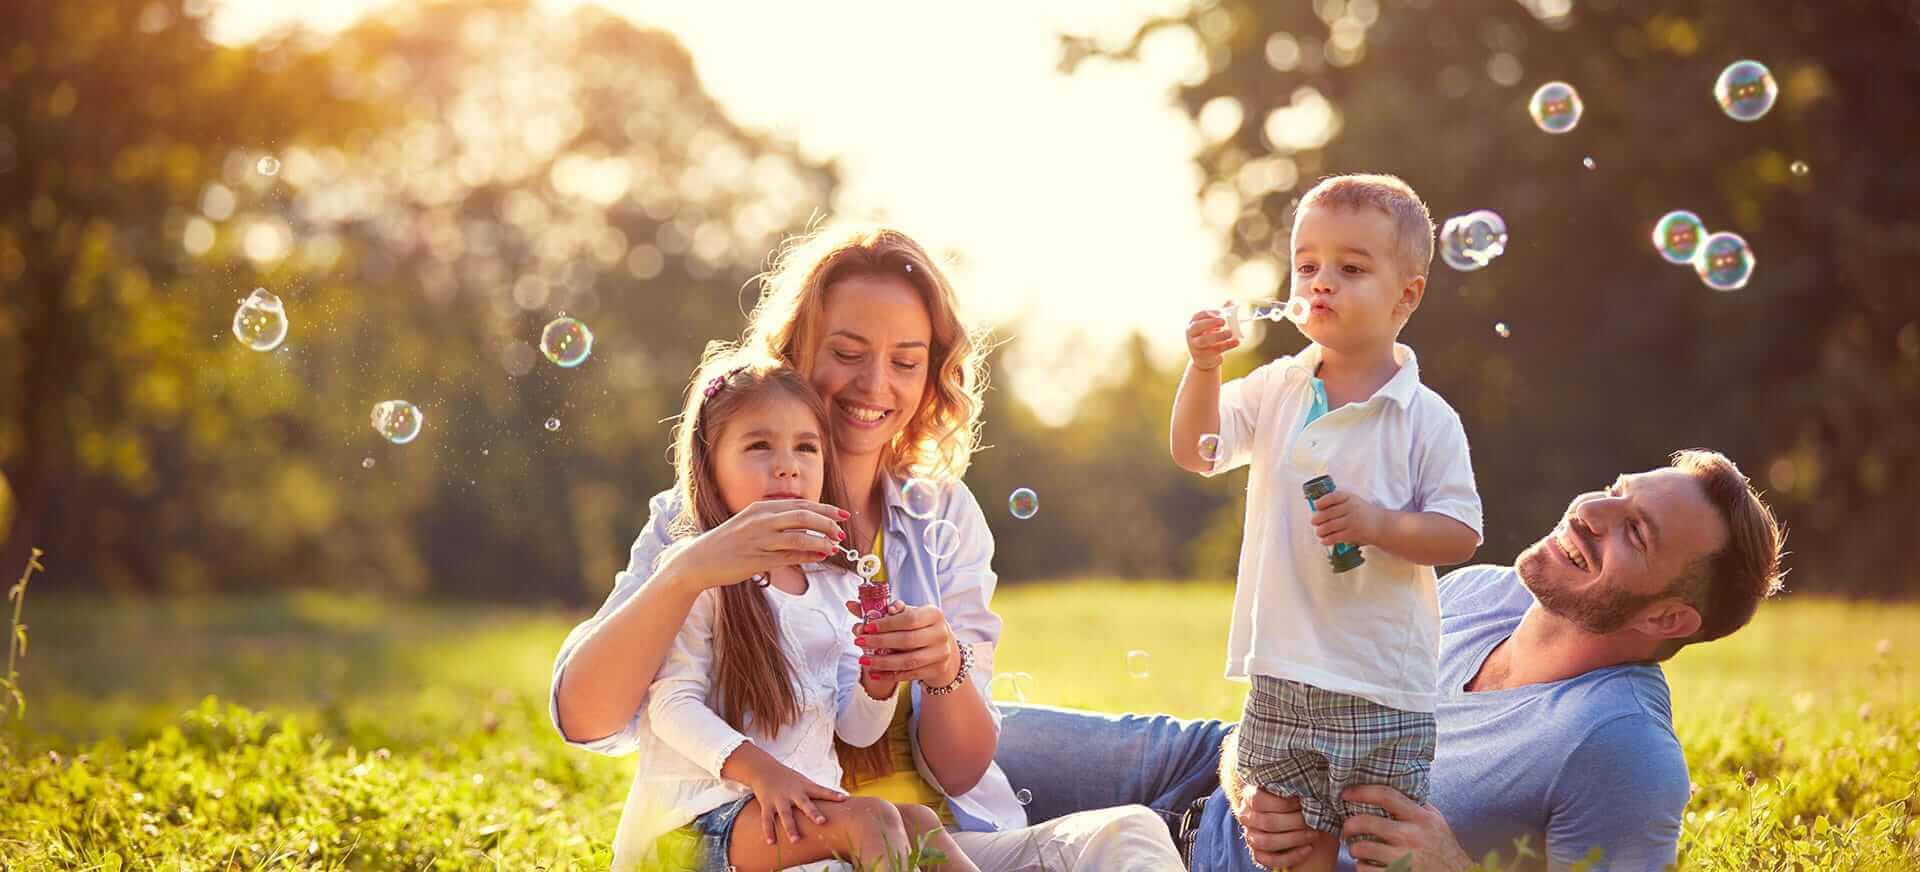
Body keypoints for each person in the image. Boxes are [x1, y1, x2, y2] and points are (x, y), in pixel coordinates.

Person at [551, 224, 1183, 870]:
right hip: (770, 843)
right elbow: (588, 718)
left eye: (906, 362)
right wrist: (684, 573)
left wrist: (945, 670)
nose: (875, 385)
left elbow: (955, 768)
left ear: (931, 375)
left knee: (1129, 835)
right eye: (848, 352)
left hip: (930, 841)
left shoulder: (942, 517)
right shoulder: (700, 522)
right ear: (794, 352)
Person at [997, 450, 1786, 871]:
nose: (1591, 511)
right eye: (1615, 490)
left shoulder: (1623, 749)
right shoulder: (1480, 592)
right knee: (947, 731)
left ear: (1667, 617)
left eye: (1635, 532)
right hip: (1204, 763)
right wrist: (1246, 757)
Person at [1168, 173, 1483, 870]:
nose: (1320, 282)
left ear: (1408, 295)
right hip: (1280, 668)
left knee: (1378, 849)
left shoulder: (1423, 417)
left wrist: (1378, 524)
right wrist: (1202, 370)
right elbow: (1197, 450)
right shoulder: (1280, 385)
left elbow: (1460, 533)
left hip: (1379, 681)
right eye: (1307, 265)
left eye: (1351, 267)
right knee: (1287, 844)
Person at [631, 353, 973, 870]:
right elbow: (670, 706)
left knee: (920, 823)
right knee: (873, 820)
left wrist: (877, 681)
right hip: (697, 825)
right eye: (759, 445)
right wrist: (763, 772)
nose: (788, 464)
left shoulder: (835, 583)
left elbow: (855, 731)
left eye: (806, 447)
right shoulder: (698, 572)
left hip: (792, 813)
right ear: (710, 464)